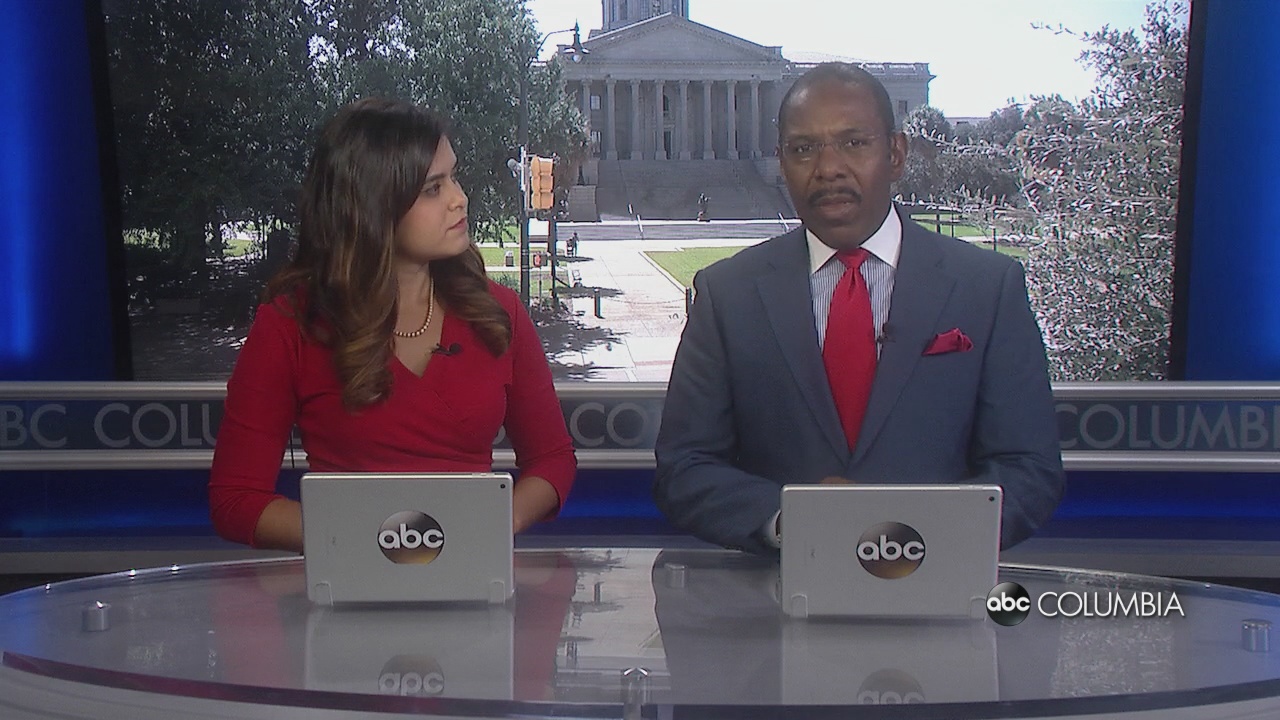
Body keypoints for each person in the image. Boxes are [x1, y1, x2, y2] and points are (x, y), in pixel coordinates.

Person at [653, 63, 1063, 555]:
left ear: (896, 154)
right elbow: (685, 468)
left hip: (937, 588)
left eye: (853, 143)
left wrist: (911, 535)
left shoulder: (987, 289)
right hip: (774, 589)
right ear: (782, 162)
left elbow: (1028, 469)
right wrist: (791, 521)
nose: (828, 168)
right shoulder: (728, 295)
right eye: (803, 149)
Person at [209, 98, 576, 552]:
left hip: (470, 577)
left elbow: (553, 460)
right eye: (433, 189)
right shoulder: (291, 326)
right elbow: (235, 499)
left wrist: (489, 525)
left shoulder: (498, 313)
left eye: (454, 177)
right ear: (372, 206)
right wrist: (379, 543)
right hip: (346, 580)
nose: (459, 199)